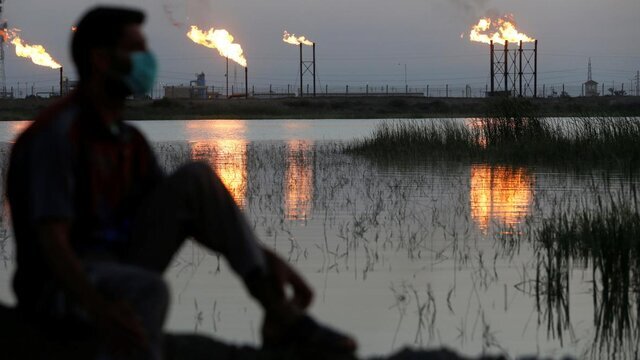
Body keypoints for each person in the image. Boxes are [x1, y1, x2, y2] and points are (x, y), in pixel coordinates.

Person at [6, 6, 356, 359]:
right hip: (62, 288)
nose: (147, 61)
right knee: (150, 290)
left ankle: (281, 314)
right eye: (136, 50)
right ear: (100, 60)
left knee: (196, 180)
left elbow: (188, 213)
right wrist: (100, 308)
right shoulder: (56, 136)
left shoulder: (128, 141)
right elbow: (51, 243)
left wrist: (264, 258)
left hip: (116, 262)